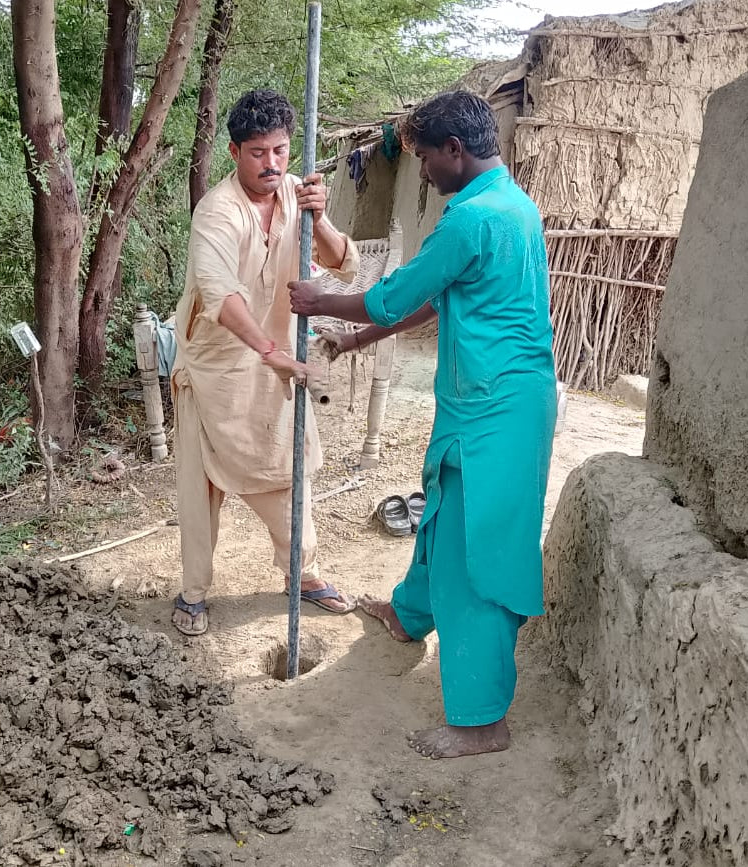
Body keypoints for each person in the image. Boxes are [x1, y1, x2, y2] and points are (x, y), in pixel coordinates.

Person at [289, 91, 557, 759]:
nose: (426, 173)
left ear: (455, 151)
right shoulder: (508, 205)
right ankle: (409, 613)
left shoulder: (471, 221)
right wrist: (351, 341)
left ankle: (480, 720)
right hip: (489, 397)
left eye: (425, 159)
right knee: (441, 510)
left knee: (477, 554)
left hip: (497, 409)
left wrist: (321, 297)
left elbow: (394, 293)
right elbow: (435, 298)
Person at [170, 88, 360, 637]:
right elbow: (219, 292)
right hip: (217, 369)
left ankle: (302, 573)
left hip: (277, 364)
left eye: (280, 150)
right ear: (235, 152)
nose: (272, 163)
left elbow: (342, 265)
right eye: (258, 152)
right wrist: (274, 354)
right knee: (200, 488)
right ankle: (194, 591)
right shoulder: (218, 212)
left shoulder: (299, 193)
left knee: (286, 471)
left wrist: (318, 218)